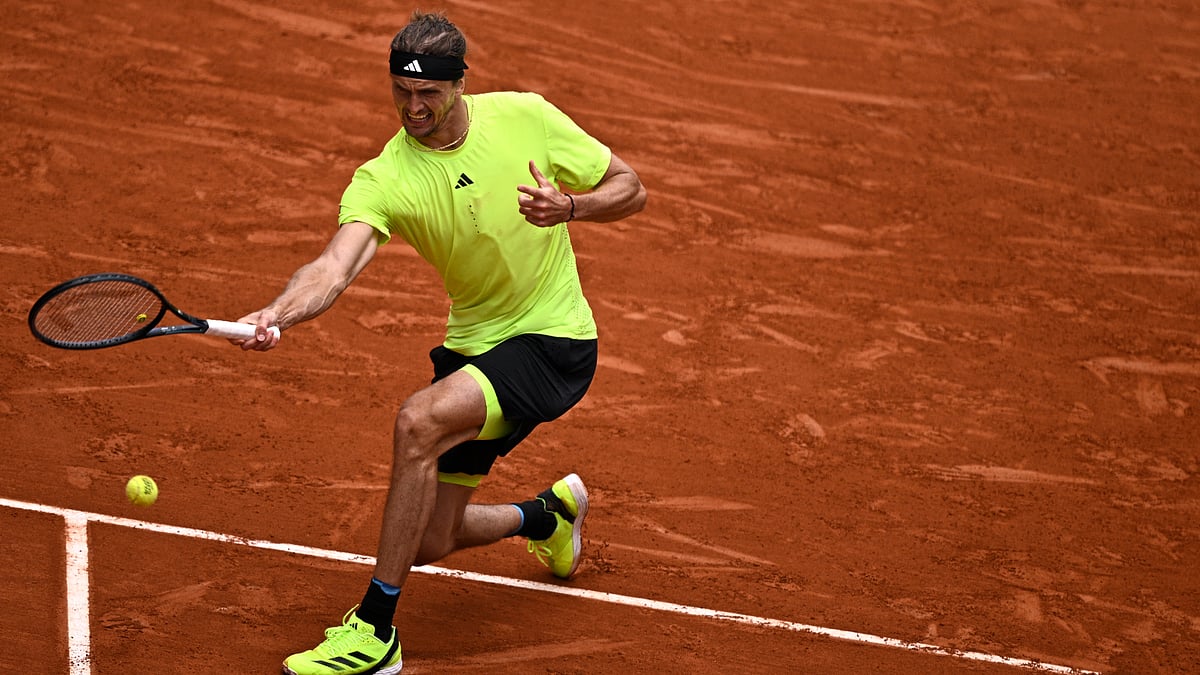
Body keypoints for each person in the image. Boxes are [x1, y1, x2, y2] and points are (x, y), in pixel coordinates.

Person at [232, 11, 646, 675]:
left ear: (461, 86)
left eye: (428, 93)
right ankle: (548, 515)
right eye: (400, 90)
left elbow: (631, 187)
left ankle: (374, 630)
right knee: (429, 536)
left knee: (417, 420)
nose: (412, 107)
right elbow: (335, 265)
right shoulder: (387, 176)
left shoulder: (525, 117)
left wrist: (569, 208)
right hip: (475, 344)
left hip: (553, 337)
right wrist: (282, 309)